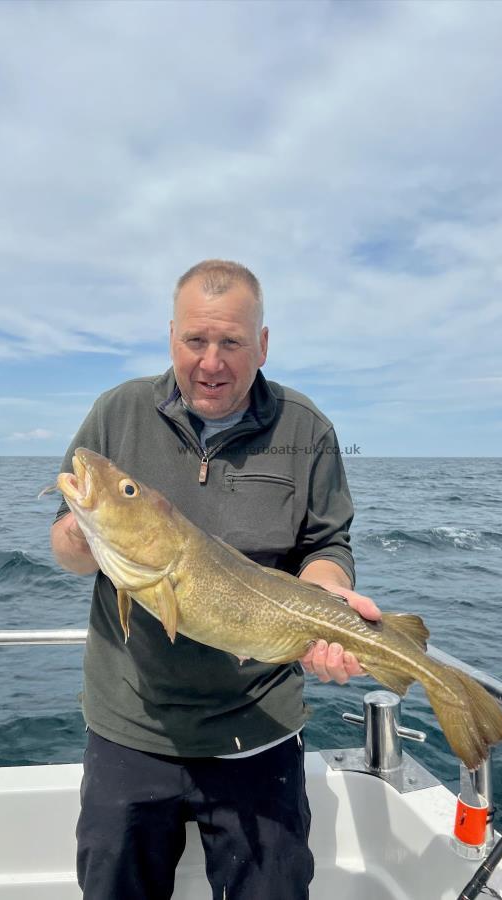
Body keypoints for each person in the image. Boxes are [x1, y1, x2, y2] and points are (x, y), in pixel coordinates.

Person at [51, 260, 381, 900]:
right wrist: (85, 528)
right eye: (195, 341)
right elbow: (66, 545)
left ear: (262, 343)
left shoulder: (305, 428)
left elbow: (326, 544)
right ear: (171, 336)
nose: (211, 362)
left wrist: (326, 597)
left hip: (259, 725)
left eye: (231, 342)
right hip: (131, 727)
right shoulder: (116, 413)